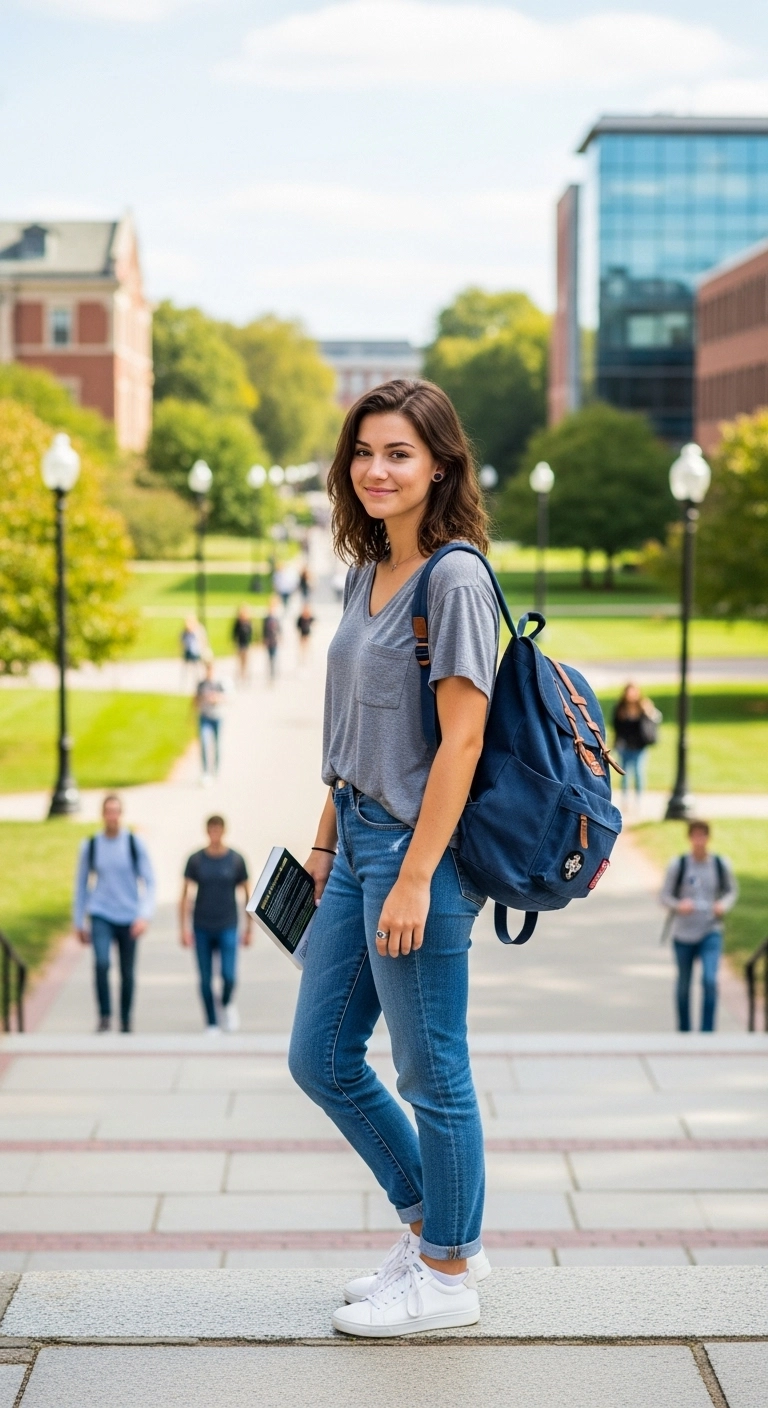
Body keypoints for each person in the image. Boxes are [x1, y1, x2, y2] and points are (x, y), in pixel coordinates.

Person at [288, 379, 498, 1338]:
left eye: (400, 454)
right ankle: (433, 1228)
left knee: (431, 1070)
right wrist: (327, 843)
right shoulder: (361, 570)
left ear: (441, 465)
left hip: (421, 854)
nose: (378, 469)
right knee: (321, 1057)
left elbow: (461, 742)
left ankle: (450, 1275)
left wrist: (414, 874)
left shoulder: (453, 578)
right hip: (357, 835)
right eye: (365, 452)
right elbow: (346, 728)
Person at [73, 794, 156, 1033]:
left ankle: (126, 1017)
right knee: (101, 962)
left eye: (115, 811)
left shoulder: (133, 843)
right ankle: (105, 1015)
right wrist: (79, 920)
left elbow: (150, 881)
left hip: (129, 915)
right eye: (107, 811)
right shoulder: (91, 845)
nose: (112, 816)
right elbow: (81, 884)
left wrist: (144, 915)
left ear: (121, 814)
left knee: (127, 972)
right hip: (101, 913)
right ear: (102, 814)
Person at [660, 819, 738, 1033]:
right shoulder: (680, 865)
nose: (699, 841)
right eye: (695, 835)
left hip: (710, 930)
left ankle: (707, 1032)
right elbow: (664, 896)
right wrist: (679, 905)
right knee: (684, 985)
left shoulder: (720, 865)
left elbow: (732, 891)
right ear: (690, 838)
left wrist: (723, 905)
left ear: (708, 838)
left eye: (703, 835)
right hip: (683, 932)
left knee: (710, 980)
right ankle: (684, 1031)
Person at [180, 815, 251, 1033]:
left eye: (218, 829)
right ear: (207, 831)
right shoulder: (196, 860)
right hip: (201, 924)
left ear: (223, 831)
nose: (214, 834)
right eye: (211, 829)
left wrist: (250, 927)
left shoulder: (235, 860)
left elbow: (247, 893)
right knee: (205, 977)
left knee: (229, 975)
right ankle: (211, 1021)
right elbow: (185, 894)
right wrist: (183, 927)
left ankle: (227, 1003)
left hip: (228, 923)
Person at [612, 683, 661, 801]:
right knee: (624, 774)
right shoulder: (620, 707)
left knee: (639, 772)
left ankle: (639, 799)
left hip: (639, 746)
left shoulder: (643, 706)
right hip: (624, 745)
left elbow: (657, 718)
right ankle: (625, 799)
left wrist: (649, 711)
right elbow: (615, 726)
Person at [195, 660, 227, 782]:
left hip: (217, 717)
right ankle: (205, 771)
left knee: (217, 744)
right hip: (204, 717)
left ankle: (216, 768)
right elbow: (195, 700)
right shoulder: (201, 685)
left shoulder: (219, 684)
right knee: (204, 742)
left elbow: (227, 698)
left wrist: (216, 698)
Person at [179, 614, 206, 690]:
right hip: (188, 651)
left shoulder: (198, 630)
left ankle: (198, 683)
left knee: (197, 668)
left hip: (196, 651)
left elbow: (203, 640)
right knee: (186, 668)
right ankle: (184, 683)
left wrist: (202, 650)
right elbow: (182, 641)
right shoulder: (184, 632)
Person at [232, 606, 253, 684]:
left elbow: (250, 634)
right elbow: (234, 634)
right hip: (240, 645)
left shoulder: (248, 622)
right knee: (239, 662)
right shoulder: (238, 623)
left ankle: (245, 676)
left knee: (246, 662)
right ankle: (240, 676)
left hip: (246, 645)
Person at [262, 598, 282, 681]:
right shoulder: (266, 618)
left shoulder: (276, 618)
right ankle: (270, 672)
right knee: (269, 657)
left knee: (274, 656)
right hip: (269, 641)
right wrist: (264, 639)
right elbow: (264, 629)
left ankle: (273, 673)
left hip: (275, 641)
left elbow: (280, 629)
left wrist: (280, 637)